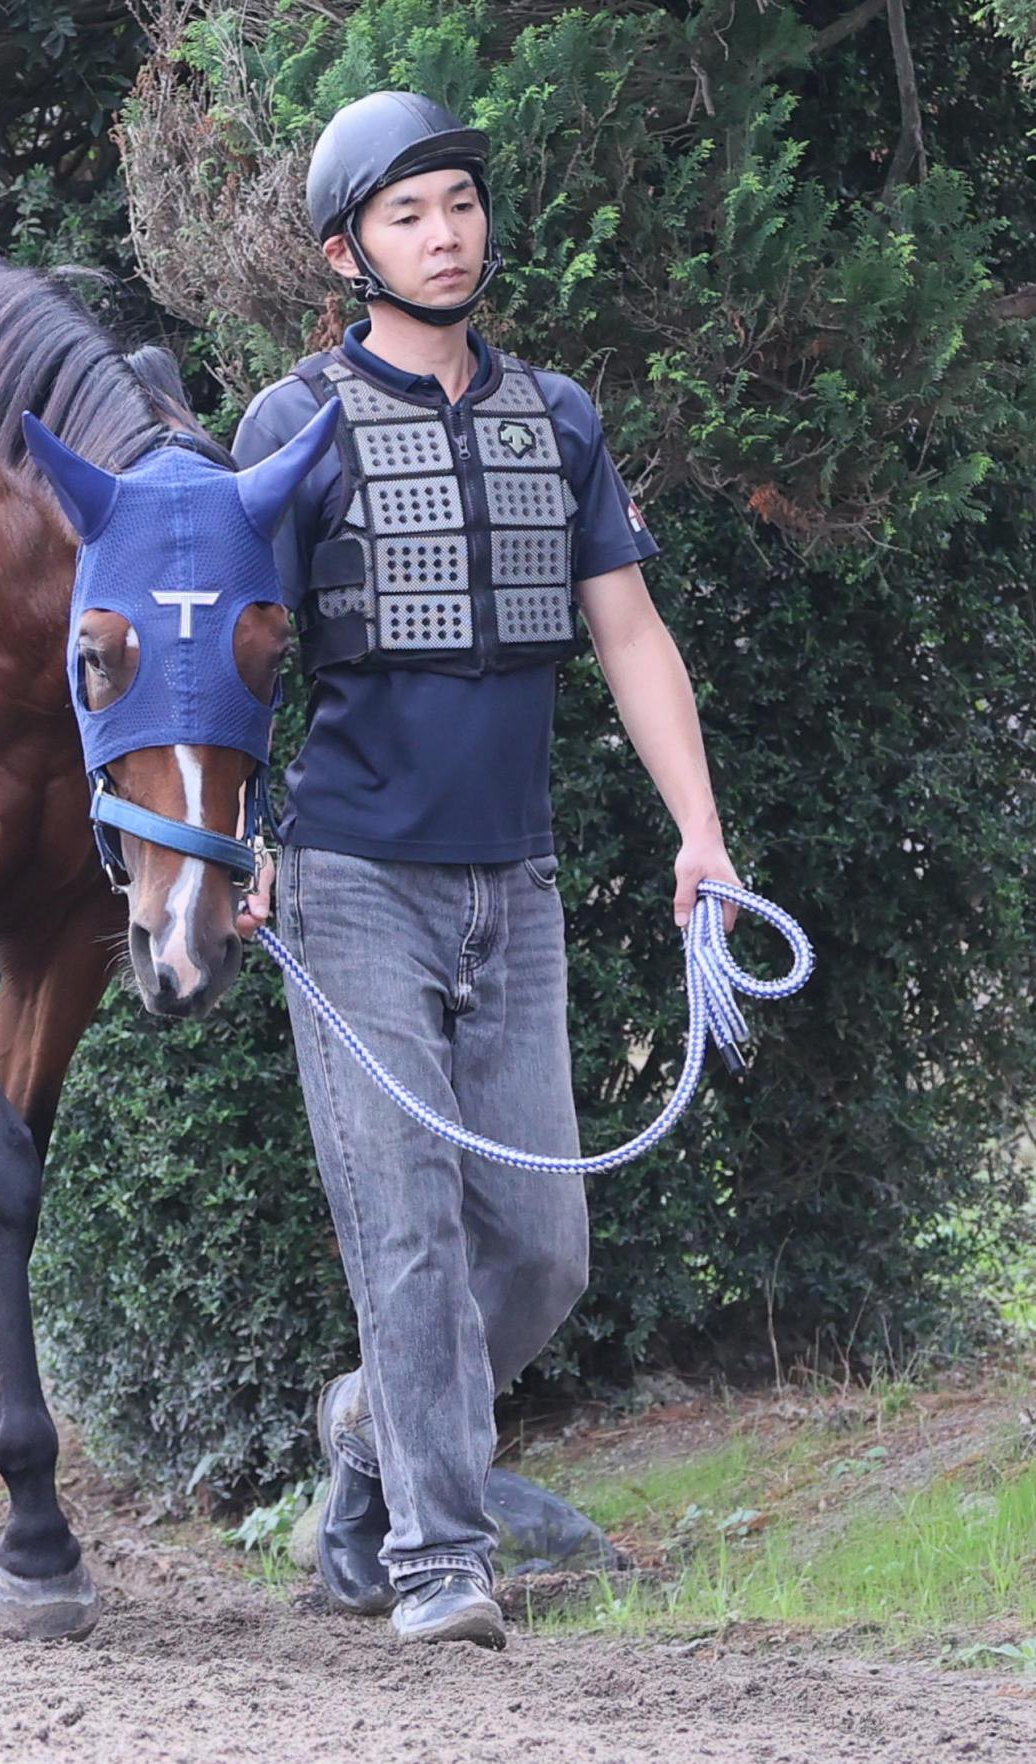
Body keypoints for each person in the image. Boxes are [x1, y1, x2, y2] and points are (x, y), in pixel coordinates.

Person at [230, 90, 742, 1649]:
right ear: (346, 251)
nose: (444, 234)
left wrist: (700, 834)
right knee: (407, 1228)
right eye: (407, 214)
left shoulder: (560, 418)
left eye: (458, 203)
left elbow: (631, 632)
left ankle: (370, 1430)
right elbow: (240, 657)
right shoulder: (287, 425)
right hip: (351, 882)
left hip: (511, 886)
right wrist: (234, 833)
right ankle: (437, 1560)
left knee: (542, 1252)